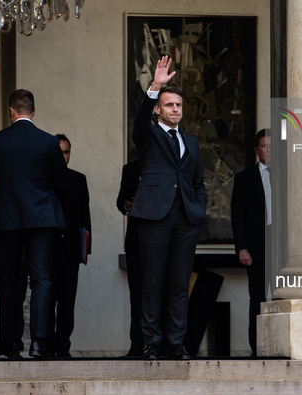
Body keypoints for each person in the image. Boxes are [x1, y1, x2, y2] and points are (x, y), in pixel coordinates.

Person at [0, 89, 68, 358]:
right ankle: (38, 342)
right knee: (42, 278)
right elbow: (62, 183)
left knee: (8, 280)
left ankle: (10, 341)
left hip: (7, 219)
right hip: (42, 220)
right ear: (34, 111)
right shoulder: (49, 142)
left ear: (11, 112)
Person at [131, 55, 206, 360]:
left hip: (186, 219)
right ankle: (152, 343)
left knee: (178, 285)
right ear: (159, 109)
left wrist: (199, 209)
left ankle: (176, 343)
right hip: (154, 217)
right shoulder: (148, 135)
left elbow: (198, 181)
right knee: (152, 283)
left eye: (179, 105)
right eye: (169, 104)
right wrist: (154, 87)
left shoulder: (192, 141)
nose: (176, 109)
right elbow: (139, 121)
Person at [46, 134, 91, 357]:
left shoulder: (79, 179)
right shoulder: (42, 179)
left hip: (71, 251)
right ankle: (46, 346)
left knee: (67, 303)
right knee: (46, 301)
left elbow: (85, 218)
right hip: (46, 251)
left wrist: (85, 251)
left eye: (67, 152)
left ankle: (63, 347)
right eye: (60, 151)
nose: (63, 156)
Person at [230, 129, 271, 356]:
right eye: (265, 146)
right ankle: (257, 350)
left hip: (283, 249)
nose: (270, 151)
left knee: (285, 298)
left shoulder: (288, 177)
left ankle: (283, 345)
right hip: (256, 248)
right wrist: (242, 247)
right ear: (256, 150)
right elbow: (238, 216)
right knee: (257, 299)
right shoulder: (244, 179)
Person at [116, 160, 144, 357]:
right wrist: (127, 204)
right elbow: (120, 202)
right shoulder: (131, 169)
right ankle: (137, 345)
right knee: (137, 296)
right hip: (136, 241)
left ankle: (160, 344)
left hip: (160, 241)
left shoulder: (166, 165)